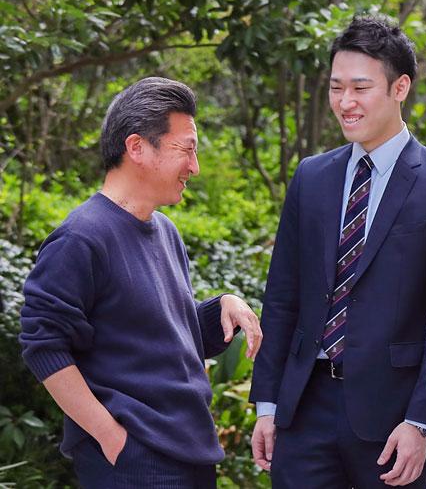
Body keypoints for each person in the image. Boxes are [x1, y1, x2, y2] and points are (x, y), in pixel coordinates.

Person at [248, 15, 426, 488]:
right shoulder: (311, 177)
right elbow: (282, 297)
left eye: (360, 87)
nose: (345, 102)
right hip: (303, 409)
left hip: (393, 417)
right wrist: (268, 405)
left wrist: (422, 421)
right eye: (336, 88)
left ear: (400, 87)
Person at [19, 77, 263, 488]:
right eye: (186, 149)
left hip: (191, 453)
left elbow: (159, 335)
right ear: (136, 147)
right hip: (134, 463)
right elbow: (42, 344)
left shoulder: (164, 230)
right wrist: (110, 437)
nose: (195, 167)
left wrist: (222, 305)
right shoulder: (81, 238)